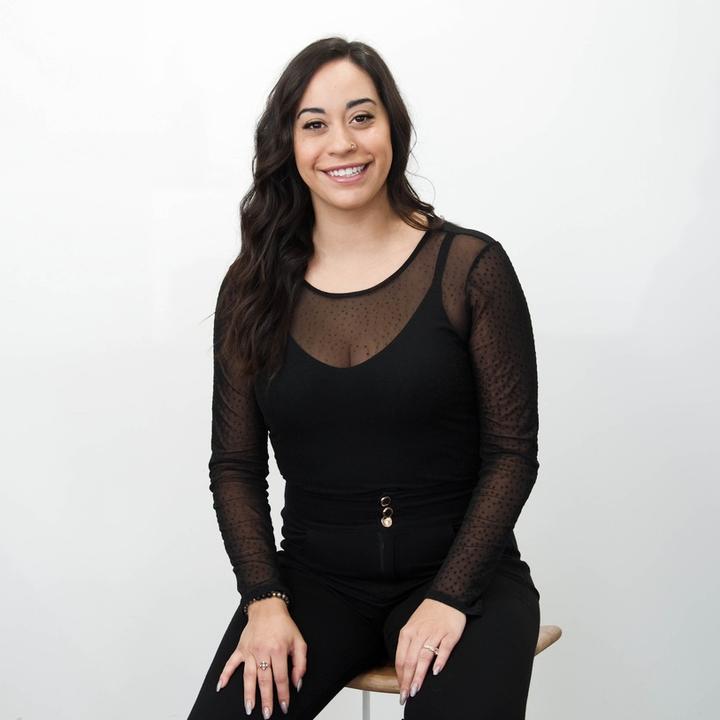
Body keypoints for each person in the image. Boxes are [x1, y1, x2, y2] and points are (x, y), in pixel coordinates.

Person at [188, 36, 541, 720]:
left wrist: (450, 596)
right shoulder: (252, 288)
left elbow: (511, 454)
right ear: (289, 144)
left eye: (361, 117)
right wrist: (263, 598)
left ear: (392, 128)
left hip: (465, 577)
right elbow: (234, 466)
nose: (342, 143)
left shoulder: (471, 269)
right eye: (314, 124)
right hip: (313, 584)